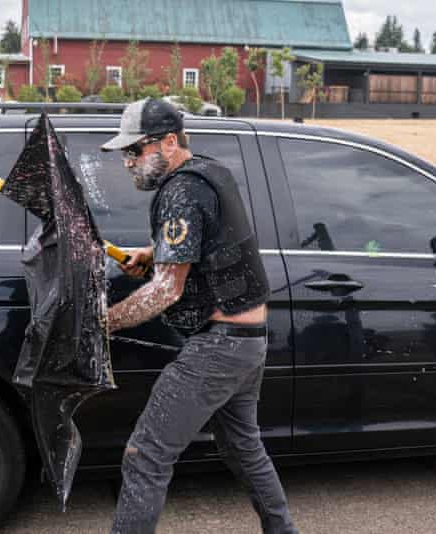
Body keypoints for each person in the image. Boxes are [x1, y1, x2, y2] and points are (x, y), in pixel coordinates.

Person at [102, 98, 297, 534]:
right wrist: (154, 253)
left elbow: (166, 289)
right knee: (242, 447)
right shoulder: (210, 172)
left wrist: (101, 323)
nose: (128, 162)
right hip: (248, 340)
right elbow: (211, 243)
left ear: (169, 142)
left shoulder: (180, 192)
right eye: (124, 153)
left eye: (135, 150)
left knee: (145, 454)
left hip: (220, 344)